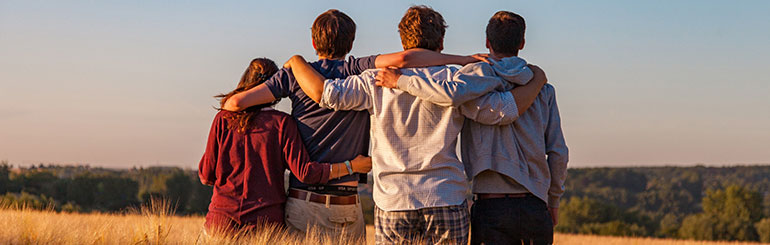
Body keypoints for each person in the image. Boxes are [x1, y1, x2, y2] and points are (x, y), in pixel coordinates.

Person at [283, 6, 548, 244]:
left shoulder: (375, 80)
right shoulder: (455, 81)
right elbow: (501, 112)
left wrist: (296, 62)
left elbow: (328, 95)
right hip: (446, 196)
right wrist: (536, 79)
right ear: (441, 42)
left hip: (394, 200)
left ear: (402, 41)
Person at [221, 9, 486, 239]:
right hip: (349, 203)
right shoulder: (358, 69)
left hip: (304, 200)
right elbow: (406, 59)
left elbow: (235, 105)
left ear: (313, 41)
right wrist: (462, 60)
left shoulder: (294, 75)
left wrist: (293, 66)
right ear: (351, 42)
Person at [376, 11, 569, 245]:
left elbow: (455, 96)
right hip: (535, 205)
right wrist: (553, 200)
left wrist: (401, 81)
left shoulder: (470, 83)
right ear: (522, 43)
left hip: (490, 206)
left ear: (487, 42)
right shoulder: (544, 90)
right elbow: (558, 152)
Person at [198, 58, 372, 234]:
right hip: (265, 227)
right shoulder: (282, 124)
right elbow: (306, 173)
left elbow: (206, 176)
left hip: (221, 224)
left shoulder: (223, 119)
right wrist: (351, 166)